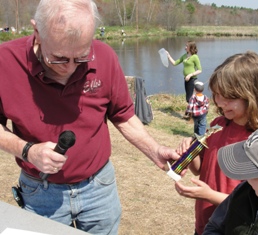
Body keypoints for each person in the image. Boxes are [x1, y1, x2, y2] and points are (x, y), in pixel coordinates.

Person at [0, 0, 179, 234]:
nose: (71, 68)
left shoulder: (104, 56)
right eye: (59, 58)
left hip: (99, 187)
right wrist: (27, 151)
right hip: (40, 191)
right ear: (37, 32)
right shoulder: (5, 61)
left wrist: (154, 150)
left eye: (81, 58)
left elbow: (123, 115)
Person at [175, 51, 258, 235]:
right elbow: (200, 168)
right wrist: (190, 153)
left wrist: (209, 196)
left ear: (252, 95)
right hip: (204, 223)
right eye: (216, 94)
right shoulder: (217, 125)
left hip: (233, 228)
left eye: (229, 97)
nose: (220, 103)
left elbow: (257, 205)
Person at [166, 40, 202, 106]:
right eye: (185, 46)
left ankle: (194, 112)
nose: (185, 47)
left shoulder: (195, 57)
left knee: (190, 98)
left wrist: (190, 75)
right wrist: (168, 56)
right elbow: (174, 63)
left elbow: (200, 70)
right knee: (188, 98)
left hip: (192, 79)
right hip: (186, 79)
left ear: (191, 47)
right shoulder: (184, 56)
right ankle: (192, 112)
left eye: (186, 46)